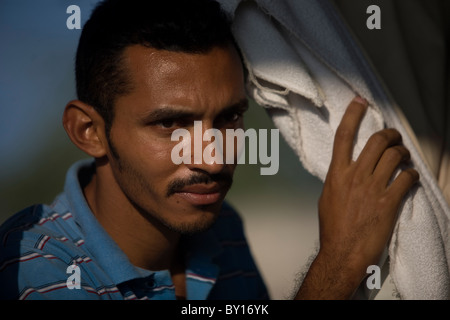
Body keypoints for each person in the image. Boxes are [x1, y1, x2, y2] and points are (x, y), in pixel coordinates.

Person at [0, 0, 418, 300]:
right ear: (88, 130)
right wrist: (337, 268)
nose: (214, 159)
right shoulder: (38, 272)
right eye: (170, 124)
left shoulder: (220, 229)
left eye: (230, 118)